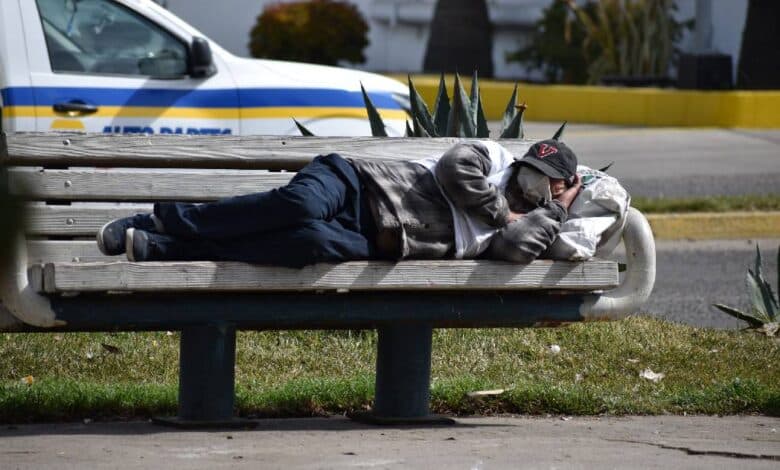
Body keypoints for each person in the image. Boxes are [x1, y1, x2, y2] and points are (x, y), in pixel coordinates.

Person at [96, 139, 582, 267]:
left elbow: (516, 249)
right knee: (300, 209)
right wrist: (501, 212)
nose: (536, 179)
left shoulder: (538, 219)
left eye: (550, 180)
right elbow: (455, 169)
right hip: (351, 182)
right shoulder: (494, 160)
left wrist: (555, 212)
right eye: (532, 168)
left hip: (378, 238)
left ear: (559, 187)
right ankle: (160, 218)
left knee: (304, 243)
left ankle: (164, 249)